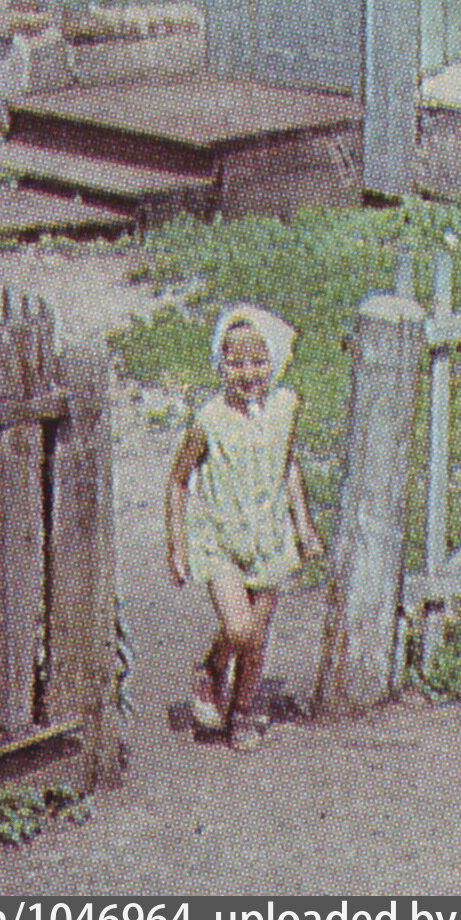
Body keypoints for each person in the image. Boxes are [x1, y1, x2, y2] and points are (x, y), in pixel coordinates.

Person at [165, 304, 322, 751]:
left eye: (258, 361)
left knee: (257, 635)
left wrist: (304, 525)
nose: (247, 373)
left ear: (274, 361)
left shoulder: (286, 408)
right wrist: (176, 546)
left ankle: (242, 711)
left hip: (270, 539)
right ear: (220, 364)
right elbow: (178, 481)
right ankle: (213, 668)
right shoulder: (208, 420)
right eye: (235, 363)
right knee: (238, 628)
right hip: (220, 542)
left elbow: (287, 467)